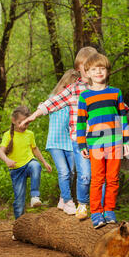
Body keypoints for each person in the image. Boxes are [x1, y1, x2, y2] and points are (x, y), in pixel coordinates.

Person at [20, 46, 129, 221]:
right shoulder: (73, 90)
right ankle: (83, 204)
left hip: (106, 141)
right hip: (81, 142)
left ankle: (101, 211)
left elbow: (122, 109)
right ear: (80, 69)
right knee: (85, 176)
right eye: (86, 66)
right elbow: (52, 103)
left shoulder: (107, 89)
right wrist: (32, 116)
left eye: (95, 66)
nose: (91, 70)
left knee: (102, 178)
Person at [77, 53, 129, 229]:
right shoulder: (85, 96)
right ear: (88, 73)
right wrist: (81, 144)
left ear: (107, 71)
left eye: (102, 68)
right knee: (97, 179)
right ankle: (96, 213)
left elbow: (123, 117)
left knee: (113, 178)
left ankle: (109, 210)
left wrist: (126, 141)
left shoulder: (116, 93)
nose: (98, 72)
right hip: (95, 144)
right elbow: (81, 122)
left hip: (115, 142)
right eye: (94, 69)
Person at [0, 105, 52, 222]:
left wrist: (44, 162)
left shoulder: (30, 134)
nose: (23, 126)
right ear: (13, 120)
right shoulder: (8, 135)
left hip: (28, 164)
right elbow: (1, 152)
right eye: (20, 122)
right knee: (19, 201)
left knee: (35, 165)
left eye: (26, 123)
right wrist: (7, 160)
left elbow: (35, 149)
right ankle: (19, 226)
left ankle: (34, 196)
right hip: (16, 170)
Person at [45, 69, 80, 214]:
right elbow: (45, 107)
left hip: (70, 141)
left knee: (71, 171)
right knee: (63, 171)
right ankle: (68, 200)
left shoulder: (75, 102)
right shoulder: (53, 98)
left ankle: (62, 198)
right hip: (55, 141)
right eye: (67, 86)